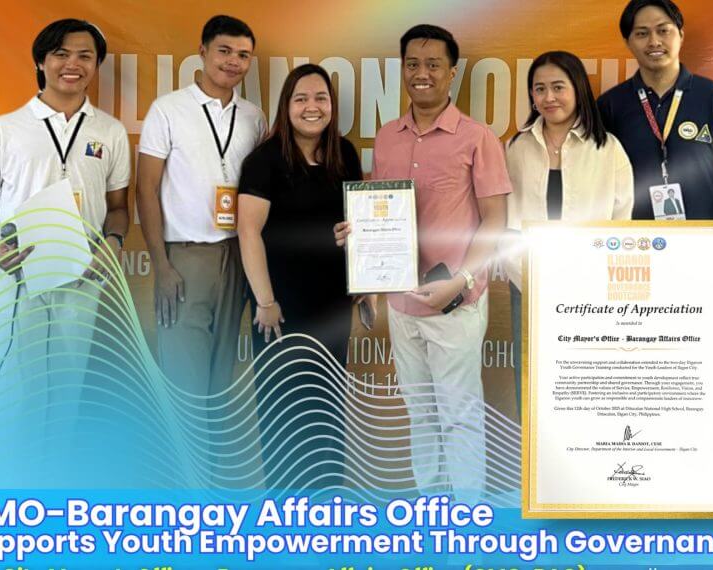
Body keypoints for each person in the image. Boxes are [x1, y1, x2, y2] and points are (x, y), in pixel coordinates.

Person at [335, 25, 511, 500]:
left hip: (455, 301)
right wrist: (359, 242)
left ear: (452, 73)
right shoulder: (388, 137)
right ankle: (432, 514)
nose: (422, 73)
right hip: (401, 302)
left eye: (433, 64)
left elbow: (495, 221)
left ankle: (468, 520)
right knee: (420, 414)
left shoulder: (478, 138)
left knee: (459, 415)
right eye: (412, 64)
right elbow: (378, 211)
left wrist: (463, 279)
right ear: (401, 71)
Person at [0, 19, 130, 472]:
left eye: (84, 56)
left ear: (96, 65)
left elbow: (119, 207)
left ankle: (50, 495)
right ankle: (1, 499)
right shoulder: (5, 129)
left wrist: (113, 243)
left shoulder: (110, 132)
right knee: (17, 387)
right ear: (41, 61)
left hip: (83, 275)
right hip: (17, 275)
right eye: (60, 54)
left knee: (67, 386)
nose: (71, 65)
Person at [136, 15, 267, 479]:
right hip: (185, 257)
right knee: (184, 380)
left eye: (243, 55)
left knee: (217, 382)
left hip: (238, 255)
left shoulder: (254, 116)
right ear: (204, 51)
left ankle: (204, 490)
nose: (233, 62)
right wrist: (162, 264)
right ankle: (180, 494)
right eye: (224, 51)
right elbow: (145, 189)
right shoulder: (168, 109)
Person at [237, 64, 364, 489]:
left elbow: (355, 222)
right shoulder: (265, 159)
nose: (312, 107)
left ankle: (327, 501)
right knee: (283, 404)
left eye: (321, 98)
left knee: (327, 403)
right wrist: (266, 301)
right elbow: (248, 230)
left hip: (331, 300)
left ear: (332, 105)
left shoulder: (344, 154)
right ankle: (286, 511)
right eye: (301, 99)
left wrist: (360, 270)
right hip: (282, 303)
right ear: (286, 105)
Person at [597, 0, 713, 313]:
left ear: (680, 34)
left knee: (710, 360)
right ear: (628, 42)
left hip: (706, 260)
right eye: (642, 33)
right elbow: (599, 192)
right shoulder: (610, 107)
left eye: (663, 31)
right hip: (634, 265)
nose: (654, 41)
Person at [505, 51, 633, 416]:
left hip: (590, 290)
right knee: (531, 388)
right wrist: (528, 279)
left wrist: (596, 280)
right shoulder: (517, 148)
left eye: (558, 87)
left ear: (578, 89)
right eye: (539, 89)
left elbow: (622, 222)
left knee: (585, 391)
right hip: (528, 286)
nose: (548, 98)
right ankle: (533, 472)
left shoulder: (607, 149)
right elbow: (506, 224)